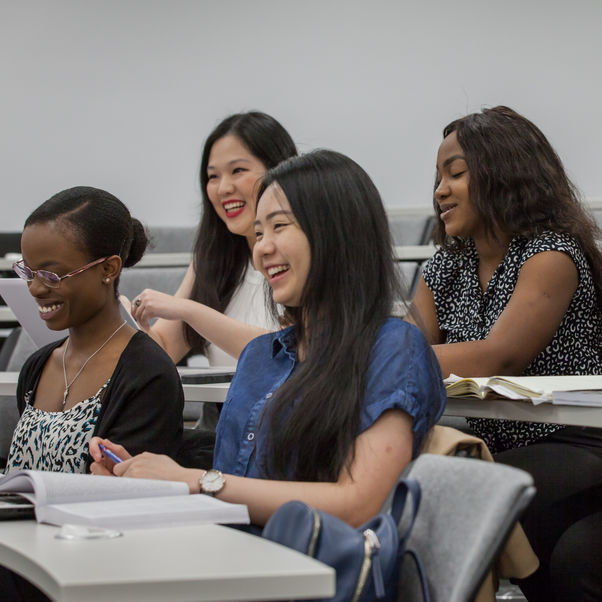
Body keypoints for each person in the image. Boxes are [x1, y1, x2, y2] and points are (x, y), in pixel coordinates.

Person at [90, 149, 446, 529]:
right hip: (232, 555)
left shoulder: (392, 347)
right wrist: (148, 479)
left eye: (279, 227)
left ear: (336, 232)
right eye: (259, 233)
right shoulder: (261, 355)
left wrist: (194, 481)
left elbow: (358, 504)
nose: (262, 248)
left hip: (309, 573)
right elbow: (232, 492)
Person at [409, 106, 602, 601]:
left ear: (503, 173)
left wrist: (375, 353)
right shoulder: (442, 271)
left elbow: (500, 356)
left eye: (455, 173)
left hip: (580, 441)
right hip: (504, 446)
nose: (440, 190)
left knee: (467, 491)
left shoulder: (551, 255)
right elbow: (410, 346)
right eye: (437, 178)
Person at [4, 186, 184, 475]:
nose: (36, 288)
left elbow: (135, 493)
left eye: (52, 275)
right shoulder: (38, 366)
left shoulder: (148, 373)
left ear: (108, 269)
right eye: (29, 272)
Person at [130, 111, 298, 366]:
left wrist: (189, 311)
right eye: (213, 177)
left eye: (238, 170)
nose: (223, 188)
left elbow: (286, 352)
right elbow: (163, 350)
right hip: (226, 407)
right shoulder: (212, 259)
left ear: (279, 170)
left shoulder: (305, 253)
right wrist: (126, 323)